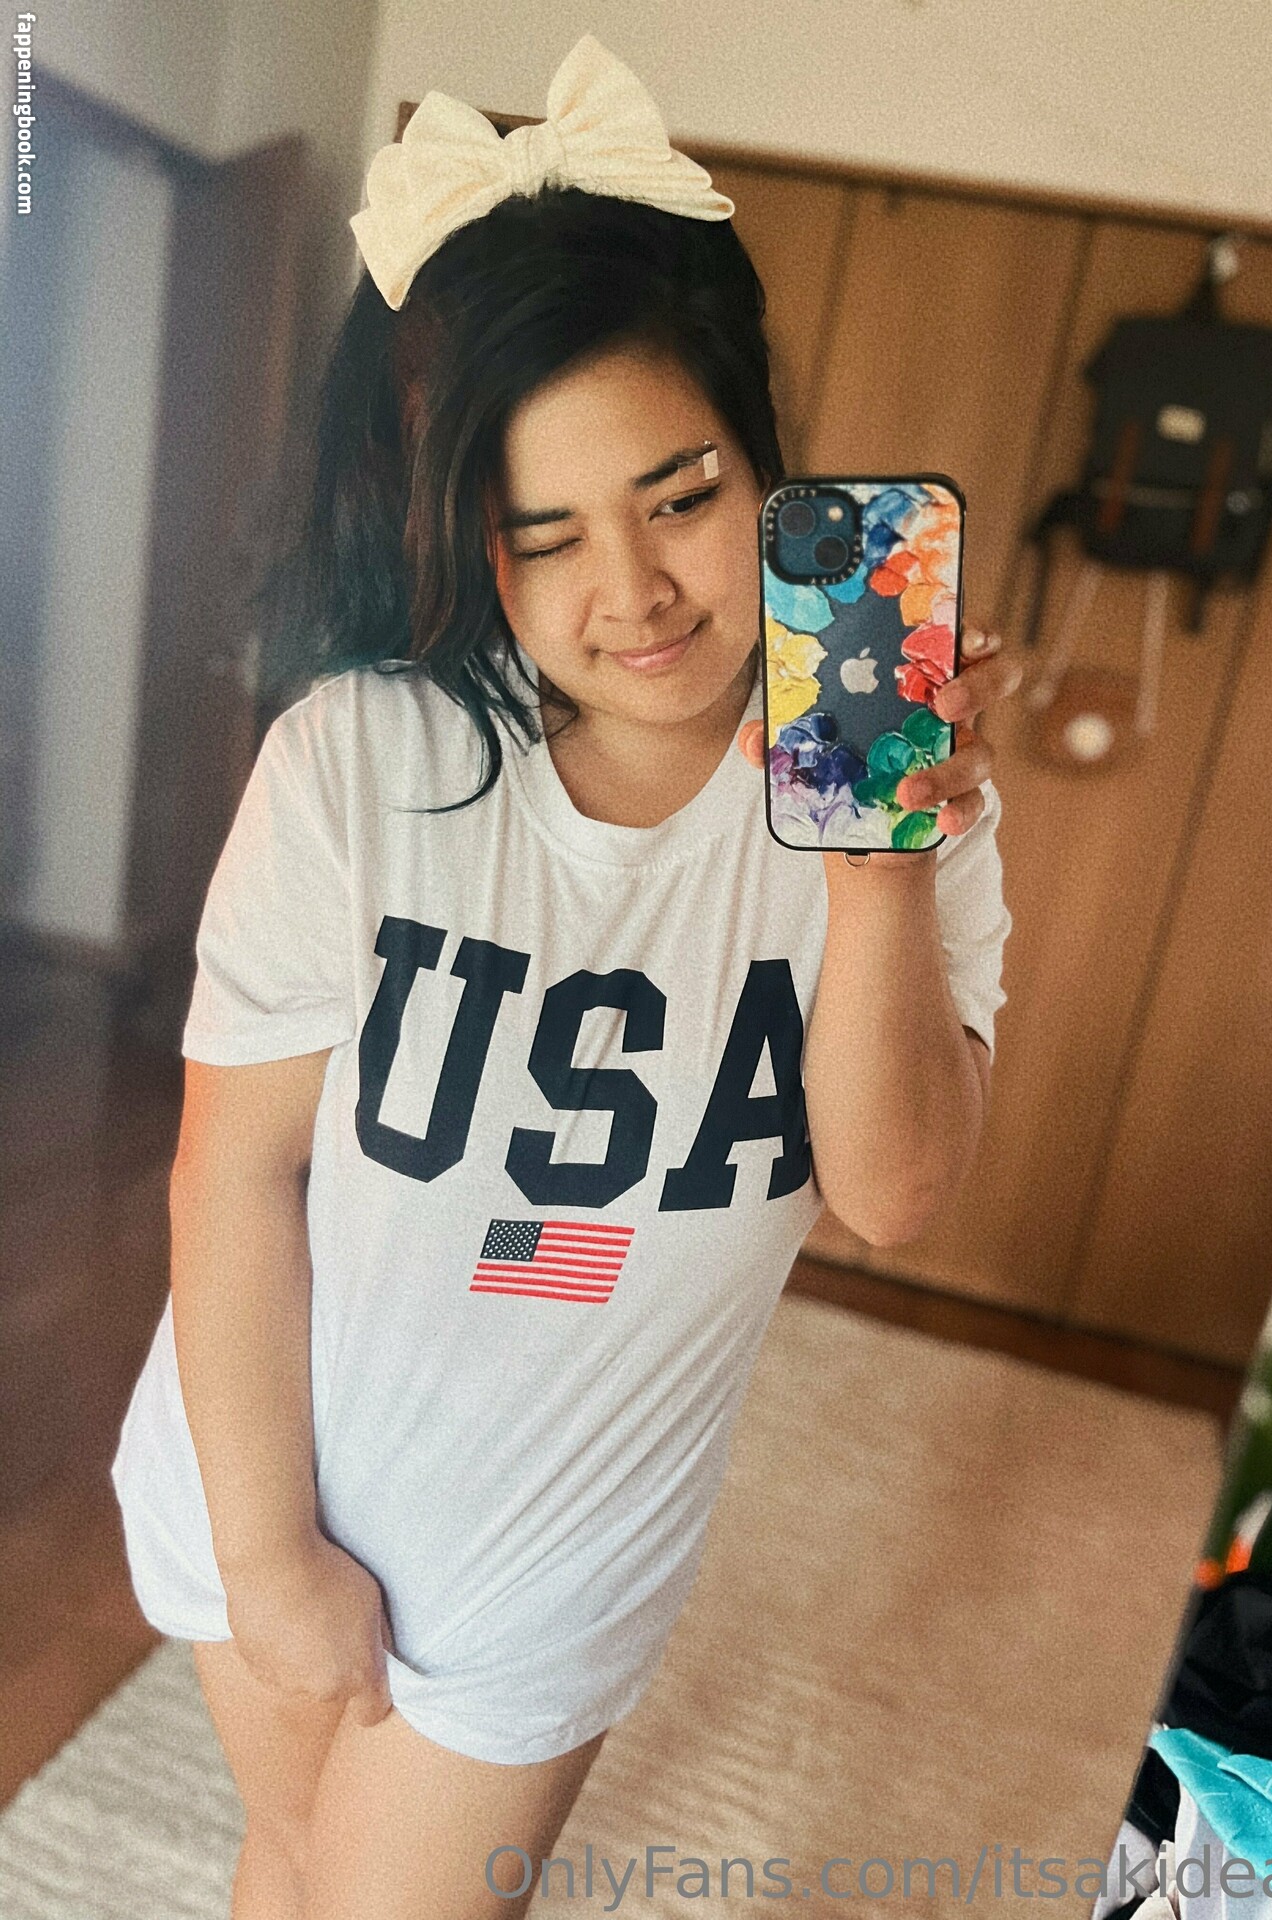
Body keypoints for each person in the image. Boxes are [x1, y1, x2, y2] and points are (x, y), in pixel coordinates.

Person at [109, 34, 1021, 1920]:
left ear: (766, 466)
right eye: (545, 536)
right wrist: (270, 1558)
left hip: (550, 1554)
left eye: (681, 496)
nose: (637, 591)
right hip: (254, 1469)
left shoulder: (901, 797)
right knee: (290, 1858)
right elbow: (237, 1168)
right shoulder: (359, 760)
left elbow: (894, 1194)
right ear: (471, 545)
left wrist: (876, 875)